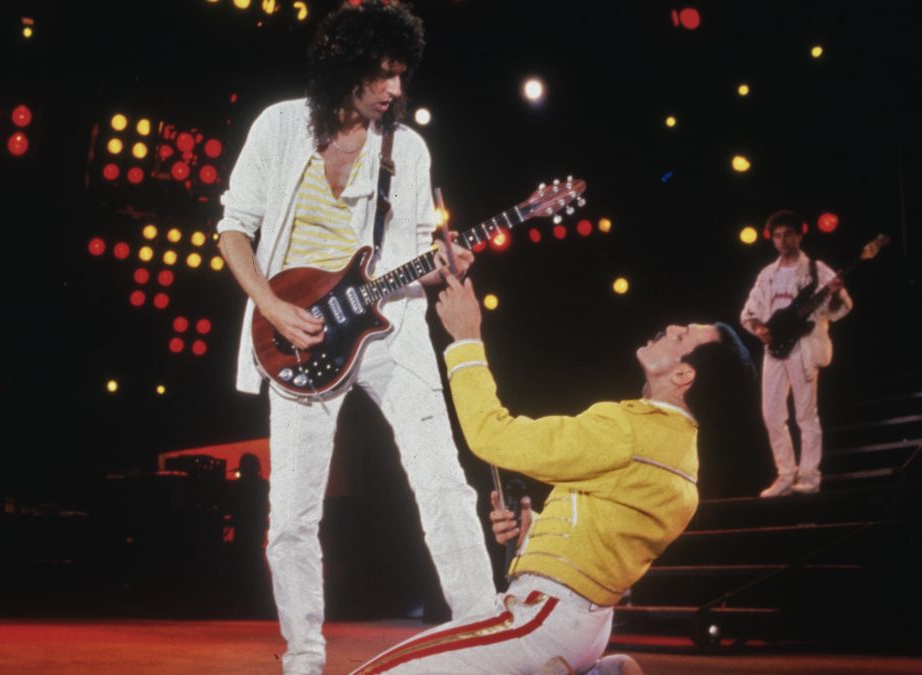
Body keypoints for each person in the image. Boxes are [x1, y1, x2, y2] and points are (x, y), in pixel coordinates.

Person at [215, 2, 494, 672]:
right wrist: (272, 307)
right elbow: (233, 230)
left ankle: (484, 633)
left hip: (390, 327)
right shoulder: (279, 126)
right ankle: (304, 655)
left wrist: (444, 264)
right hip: (300, 333)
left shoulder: (408, 148)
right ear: (345, 66)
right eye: (382, 73)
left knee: (443, 481)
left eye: (402, 74)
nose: (395, 88)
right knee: (291, 514)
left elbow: (415, 253)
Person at [351, 272, 754, 674]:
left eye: (683, 336)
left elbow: (492, 435)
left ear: (683, 376)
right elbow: (602, 539)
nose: (671, 328)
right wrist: (532, 530)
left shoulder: (632, 431)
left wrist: (466, 338)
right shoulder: (682, 460)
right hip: (585, 627)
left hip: (544, 619)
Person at [741, 209, 852, 497]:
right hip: (775, 347)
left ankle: (810, 476)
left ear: (799, 235)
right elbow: (750, 311)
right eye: (777, 236)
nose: (783, 240)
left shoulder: (816, 269)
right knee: (771, 414)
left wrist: (835, 293)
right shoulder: (767, 274)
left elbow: (840, 307)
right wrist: (759, 328)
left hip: (803, 347)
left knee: (805, 414)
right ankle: (785, 474)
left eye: (788, 234)